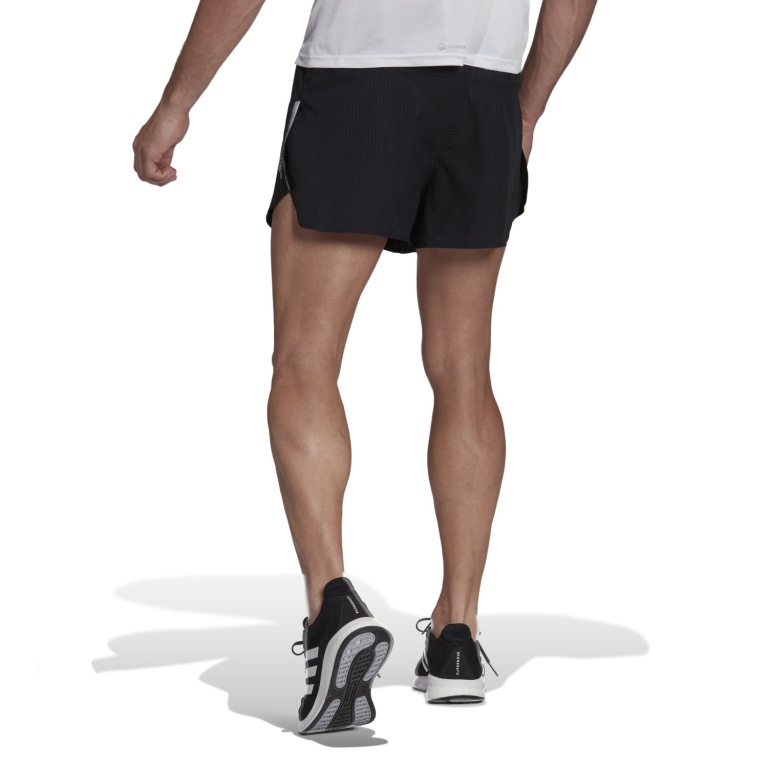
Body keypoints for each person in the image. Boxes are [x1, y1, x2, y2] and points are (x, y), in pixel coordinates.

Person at [133, 0, 597, 735]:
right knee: (464, 368)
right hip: (483, 91)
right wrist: (526, 107)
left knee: (305, 360)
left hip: (359, 80)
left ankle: (332, 611)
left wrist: (174, 104)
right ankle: (457, 636)